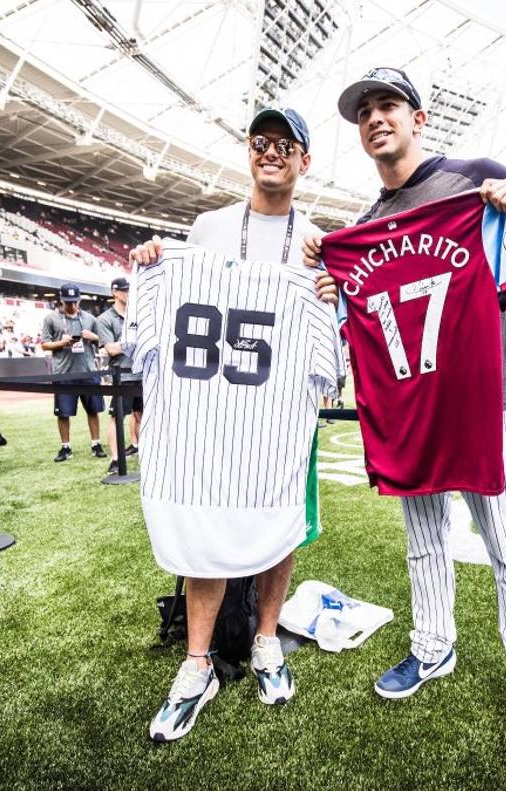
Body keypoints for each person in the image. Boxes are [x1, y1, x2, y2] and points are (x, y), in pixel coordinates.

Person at [303, 67, 506, 769]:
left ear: (418, 117)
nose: (374, 118)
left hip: (488, 403)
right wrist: (336, 277)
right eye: (363, 111)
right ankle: (433, 647)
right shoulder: (362, 227)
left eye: (387, 104)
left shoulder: (473, 181)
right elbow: (346, 315)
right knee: (424, 541)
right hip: (409, 410)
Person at [128, 107, 329, 741]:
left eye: (285, 144)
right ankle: (197, 664)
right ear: (249, 152)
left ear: (304, 159)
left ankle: (266, 641)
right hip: (205, 420)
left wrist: (327, 299)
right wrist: (154, 262)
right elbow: (163, 303)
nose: (271, 152)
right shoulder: (208, 229)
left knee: (281, 521)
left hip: (278, 416)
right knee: (202, 526)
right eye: (261, 142)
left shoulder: (317, 239)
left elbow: (333, 342)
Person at [40, 283, 105, 462]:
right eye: (68, 302)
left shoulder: (91, 319)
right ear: (61, 300)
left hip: (88, 371)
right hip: (64, 373)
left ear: (79, 300)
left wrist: (94, 337)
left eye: (74, 302)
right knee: (63, 413)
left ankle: (96, 444)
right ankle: (66, 447)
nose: (72, 305)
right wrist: (62, 342)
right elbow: (44, 344)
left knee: (93, 410)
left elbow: (105, 341)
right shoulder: (51, 319)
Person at [94, 275, 141, 474]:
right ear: (115, 292)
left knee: (143, 417)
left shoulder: (138, 313)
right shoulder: (105, 319)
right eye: (125, 290)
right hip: (122, 375)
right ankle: (115, 458)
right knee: (117, 417)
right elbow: (110, 349)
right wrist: (132, 343)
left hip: (142, 373)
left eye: (131, 290)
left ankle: (144, 453)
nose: (129, 294)